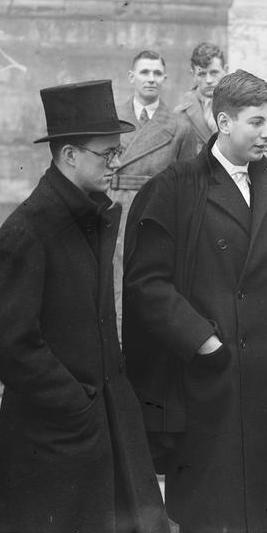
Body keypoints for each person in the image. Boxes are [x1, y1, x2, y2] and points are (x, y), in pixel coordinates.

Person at [0, 80, 169, 533]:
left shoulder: (88, 218)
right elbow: (10, 346)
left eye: (117, 150)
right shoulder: (26, 233)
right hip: (56, 437)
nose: (117, 161)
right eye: (108, 153)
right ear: (69, 156)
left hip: (104, 426)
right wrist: (77, 406)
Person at [122, 69, 267, 533]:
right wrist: (204, 342)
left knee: (266, 517)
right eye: (257, 122)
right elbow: (147, 283)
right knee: (212, 518)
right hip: (212, 380)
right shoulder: (176, 187)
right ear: (223, 122)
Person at [109, 50, 197, 334]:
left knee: (149, 277)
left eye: (157, 73)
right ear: (131, 77)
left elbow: (186, 184)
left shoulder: (180, 127)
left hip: (155, 214)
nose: (151, 79)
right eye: (145, 73)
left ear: (165, 79)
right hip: (113, 210)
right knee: (112, 279)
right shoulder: (111, 120)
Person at [174, 42, 229, 155]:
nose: (208, 80)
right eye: (202, 74)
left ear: (225, 70)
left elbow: (265, 152)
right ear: (193, 74)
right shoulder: (180, 114)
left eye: (214, 73)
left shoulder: (242, 106)